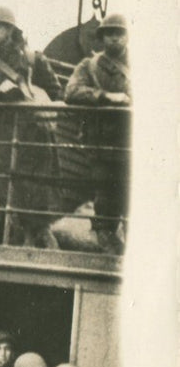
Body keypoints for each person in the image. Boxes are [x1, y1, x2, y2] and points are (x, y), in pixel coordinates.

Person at [0, 6, 63, 247]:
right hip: (3, 131)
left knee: (36, 187)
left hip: (35, 133)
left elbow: (55, 90)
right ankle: (8, 238)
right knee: (5, 186)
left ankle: (37, 235)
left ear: (10, 29)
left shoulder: (32, 58)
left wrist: (39, 101)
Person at [64, 13, 131, 252]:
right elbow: (71, 92)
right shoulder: (90, 66)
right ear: (102, 38)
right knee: (106, 200)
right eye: (109, 34)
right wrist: (104, 97)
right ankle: (108, 247)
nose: (114, 39)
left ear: (127, 37)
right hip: (103, 145)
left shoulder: (141, 65)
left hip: (134, 144)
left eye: (119, 33)